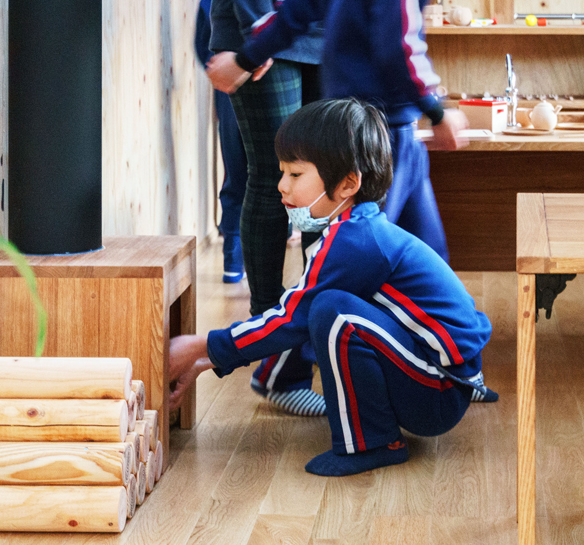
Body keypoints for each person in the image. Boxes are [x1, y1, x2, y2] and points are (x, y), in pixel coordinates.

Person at [169, 100, 495, 477]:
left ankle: (373, 442)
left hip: (436, 395)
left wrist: (202, 347)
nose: (281, 185)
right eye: (282, 172)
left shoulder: (353, 241)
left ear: (347, 184)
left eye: (294, 174)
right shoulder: (357, 228)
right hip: (446, 380)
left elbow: (294, 318)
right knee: (320, 304)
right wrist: (208, 357)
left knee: (331, 311)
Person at [205, 0, 500, 404]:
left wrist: (247, 54)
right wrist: (436, 109)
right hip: (372, 133)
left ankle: (461, 366)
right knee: (345, 264)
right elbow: (397, 47)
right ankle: (283, 374)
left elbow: (297, 12)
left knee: (432, 253)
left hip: (399, 130)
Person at [210, 0, 330, 415]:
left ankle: (315, 345)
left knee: (325, 187)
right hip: (260, 26)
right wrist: (258, 34)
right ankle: (272, 350)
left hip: (324, 30)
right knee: (272, 178)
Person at [195, 0, 248, 283]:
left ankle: (234, 258)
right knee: (243, 170)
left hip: (234, 73)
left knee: (238, 170)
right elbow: (203, 40)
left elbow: (202, 41)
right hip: (234, 74)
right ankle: (233, 258)